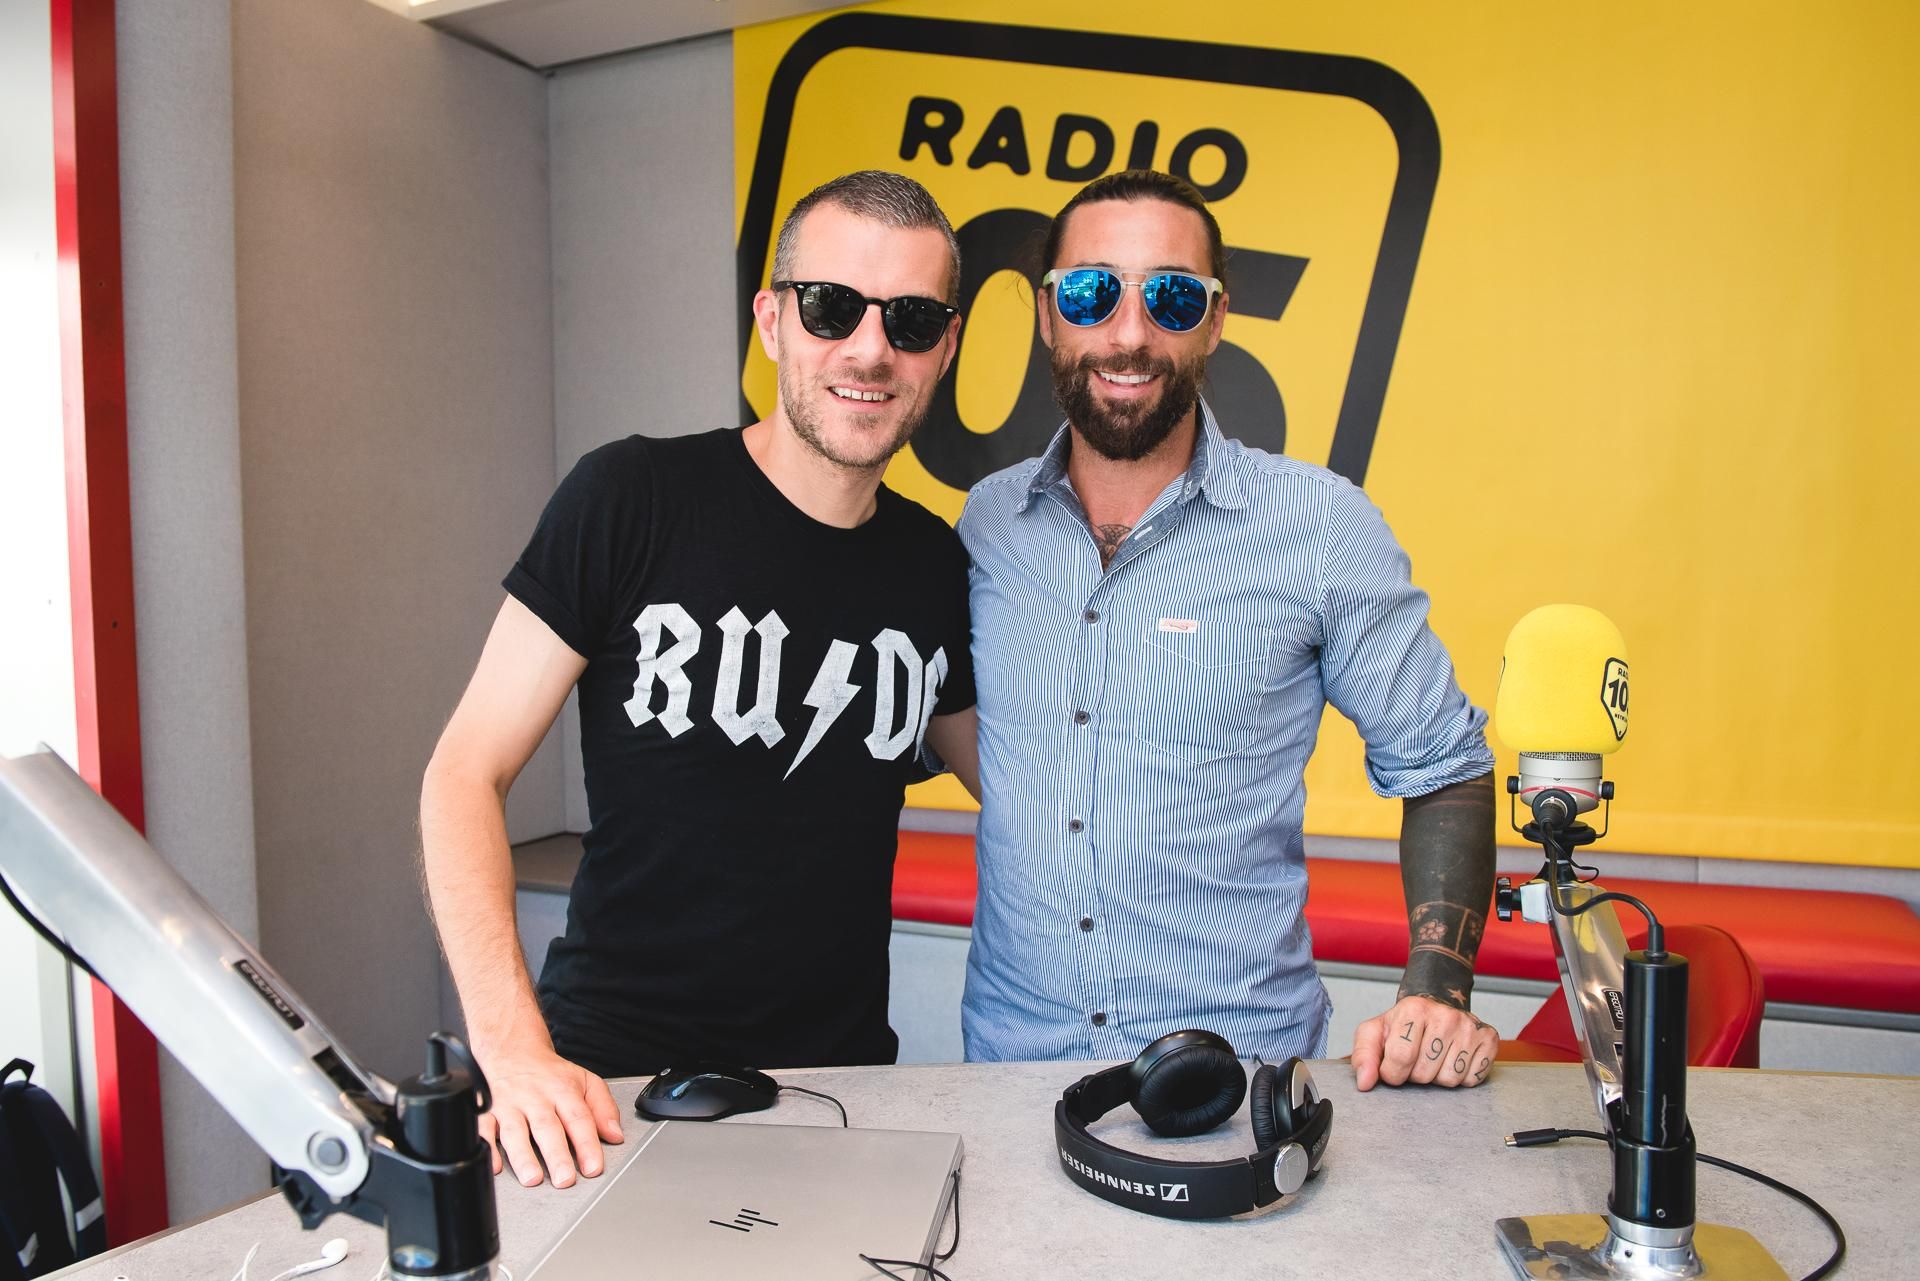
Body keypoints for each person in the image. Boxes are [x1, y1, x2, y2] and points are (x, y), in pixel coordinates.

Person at [420, 171, 981, 1190]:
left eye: (908, 319)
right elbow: (464, 772)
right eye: (831, 307)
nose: (869, 349)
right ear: (771, 321)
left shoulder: (935, 566)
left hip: (839, 1093)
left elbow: (1035, 792)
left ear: (944, 346)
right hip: (604, 1088)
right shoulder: (630, 497)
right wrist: (512, 1050)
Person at [957, 170, 1500, 1091]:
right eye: (1091, 293)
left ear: (1214, 321)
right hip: (1010, 1076)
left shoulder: (1320, 526)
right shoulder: (985, 525)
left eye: (1171, 297)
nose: (1130, 334)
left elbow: (1446, 763)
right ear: (1048, 316)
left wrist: (1437, 988)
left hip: (1241, 1077)